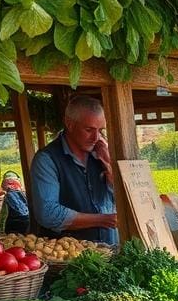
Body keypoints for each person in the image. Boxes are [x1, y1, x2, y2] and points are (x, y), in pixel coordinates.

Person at [30, 95, 118, 245]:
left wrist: (110, 166)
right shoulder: (47, 159)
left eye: (100, 130)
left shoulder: (102, 154)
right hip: (69, 258)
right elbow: (48, 213)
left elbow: (122, 200)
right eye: (89, 129)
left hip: (110, 249)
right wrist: (102, 220)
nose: (96, 137)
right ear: (69, 124)